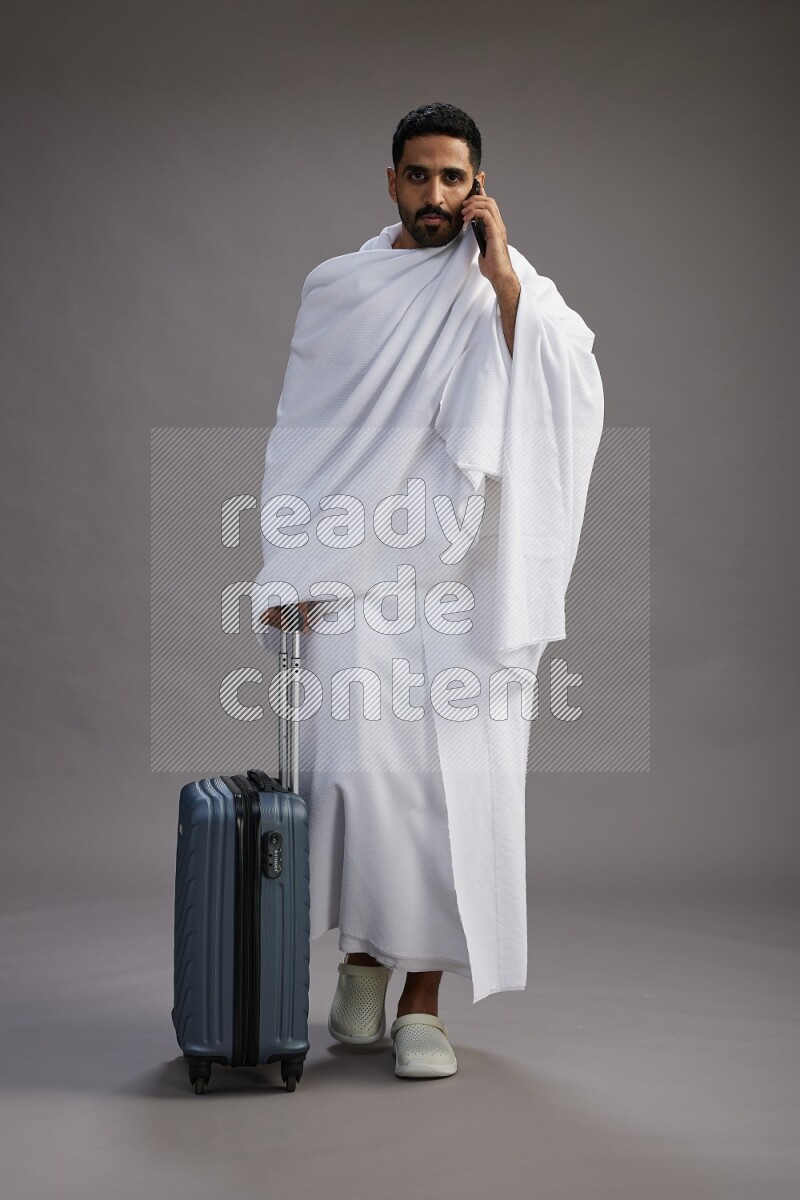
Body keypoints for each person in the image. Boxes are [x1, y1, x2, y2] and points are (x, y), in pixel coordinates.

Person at [254, 102, 604, 1080]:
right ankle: (361, 966)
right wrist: (285, 569)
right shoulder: (341, 289)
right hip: (353, 578)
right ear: (392, 182)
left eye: (455, 179)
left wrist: (499, 279)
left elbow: (569, 381)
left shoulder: (508, 286)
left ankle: (423, 1003)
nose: (436, 196)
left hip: (457, 579)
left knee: (454, 788)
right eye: (419, 176)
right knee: (357, 781)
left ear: (478, 186)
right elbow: (301, 436)